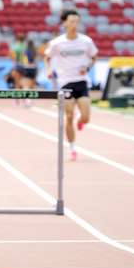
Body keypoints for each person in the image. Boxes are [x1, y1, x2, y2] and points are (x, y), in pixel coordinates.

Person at [45, 9, 97, 161]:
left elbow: (94, 57)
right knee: (68, 116)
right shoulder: (57, 43)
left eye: (76, 21)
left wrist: (87, 67)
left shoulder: (86, 41)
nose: (75, 24)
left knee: (86, 117)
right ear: (65, 23)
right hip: (65, 83)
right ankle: (73, 147)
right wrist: (49, 70)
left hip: (81, 82)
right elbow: (46, 58)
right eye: (72, 21)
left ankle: (81, 121)